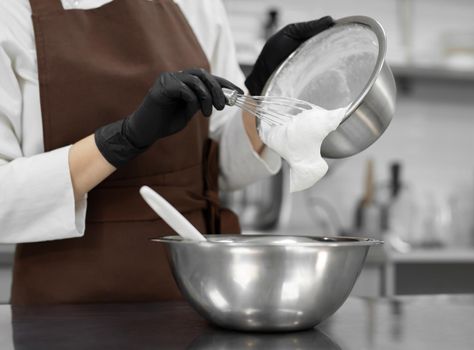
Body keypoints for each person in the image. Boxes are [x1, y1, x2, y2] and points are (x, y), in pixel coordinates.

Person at [0, 0, 333, 305]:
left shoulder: (196, 4)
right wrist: (121, 140)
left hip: (199, 294)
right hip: (65, 306)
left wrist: (261, 88)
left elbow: (220, 169)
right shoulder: (10, 12)